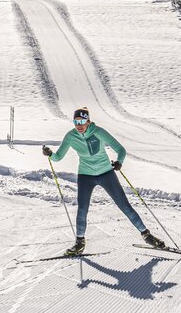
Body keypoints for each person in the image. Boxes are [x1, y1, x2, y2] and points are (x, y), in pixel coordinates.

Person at [42, 107, 166, 256]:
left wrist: (119, 162)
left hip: (106, 173)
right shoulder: (71, 136)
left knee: (124, 206)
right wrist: (49, 154)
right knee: (82, 209)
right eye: (76, 122)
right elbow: (58, 157)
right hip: (85, 176)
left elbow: (120, 149)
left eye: (81, 121)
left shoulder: (98, 132)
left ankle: (147, 235)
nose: (79, 125)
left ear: (88, 121)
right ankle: (79, 243)